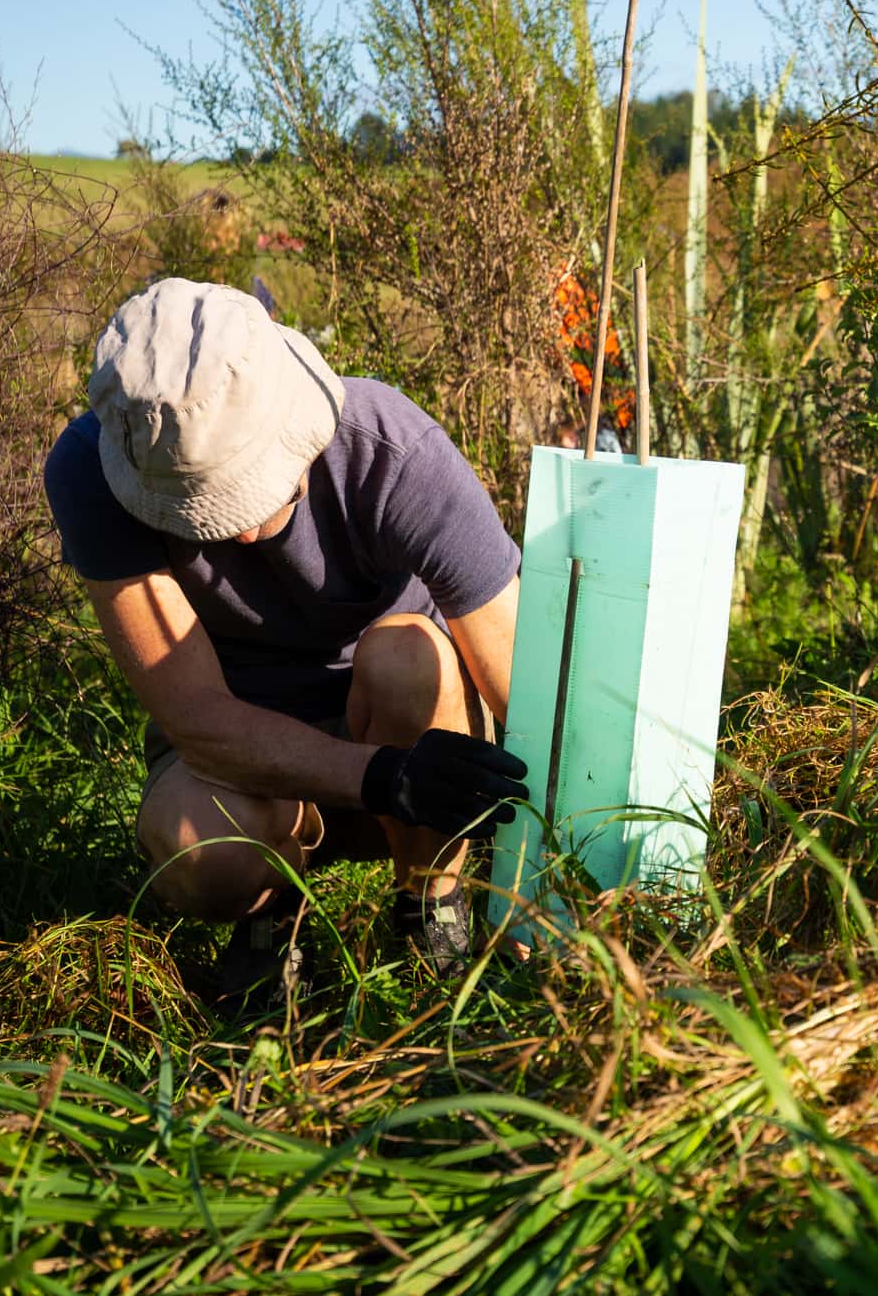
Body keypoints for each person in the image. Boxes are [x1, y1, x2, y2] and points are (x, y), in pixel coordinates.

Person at [43, 278, 529, 995]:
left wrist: (547, 900)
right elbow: (198, 718)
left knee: (406, 655)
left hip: (408, 737)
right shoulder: (87, 474)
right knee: (194, 845)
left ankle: (432, 904)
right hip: (250, 765)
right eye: (197, 509)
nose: (239, 531)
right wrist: (381, 779)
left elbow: (524, 685)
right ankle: (273, 920)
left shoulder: (395, 452)